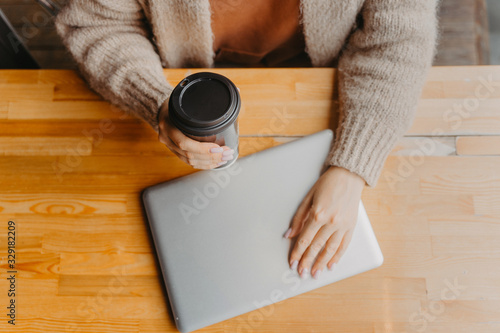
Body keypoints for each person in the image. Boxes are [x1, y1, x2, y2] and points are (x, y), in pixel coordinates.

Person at [55, 0, 438, 280]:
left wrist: (353, 166)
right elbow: (95, 25)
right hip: (181, 80)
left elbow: (400, 39)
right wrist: (157, 102)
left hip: (318, 86)